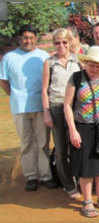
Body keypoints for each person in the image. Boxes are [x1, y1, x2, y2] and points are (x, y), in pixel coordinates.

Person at [64, 46, 99, 218]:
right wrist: (73, 130)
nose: (95, 68)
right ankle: (87, 201)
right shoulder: (76, 78)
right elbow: (67, 105)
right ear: (85, 62)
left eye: (98, 65)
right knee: (85, 166)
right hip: (82, 127)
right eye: (91, 65)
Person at [0, 25, 56, 191]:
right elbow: (3, 81)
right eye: (25, 37)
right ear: (19, 39)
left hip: (41, 106)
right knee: (26, 143)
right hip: (20, 107)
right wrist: (15, 95)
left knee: (43, 143)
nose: (28, 41)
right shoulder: (9, 58)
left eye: (31, 37)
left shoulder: (43, 57)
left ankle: (46, 176)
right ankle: (31, 176)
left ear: (36, 39)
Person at [41, 28, 81, 199]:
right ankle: (68, 185)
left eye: (64, 42)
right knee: (60, 149)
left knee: (78, 145)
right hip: (57, 107)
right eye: (57, 42)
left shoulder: (77, 60)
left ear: (69, 42)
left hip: (75, 107)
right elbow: (44, 90)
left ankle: (81, 180)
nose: (61, 45)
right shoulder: (49, 62)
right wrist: (47, 113)